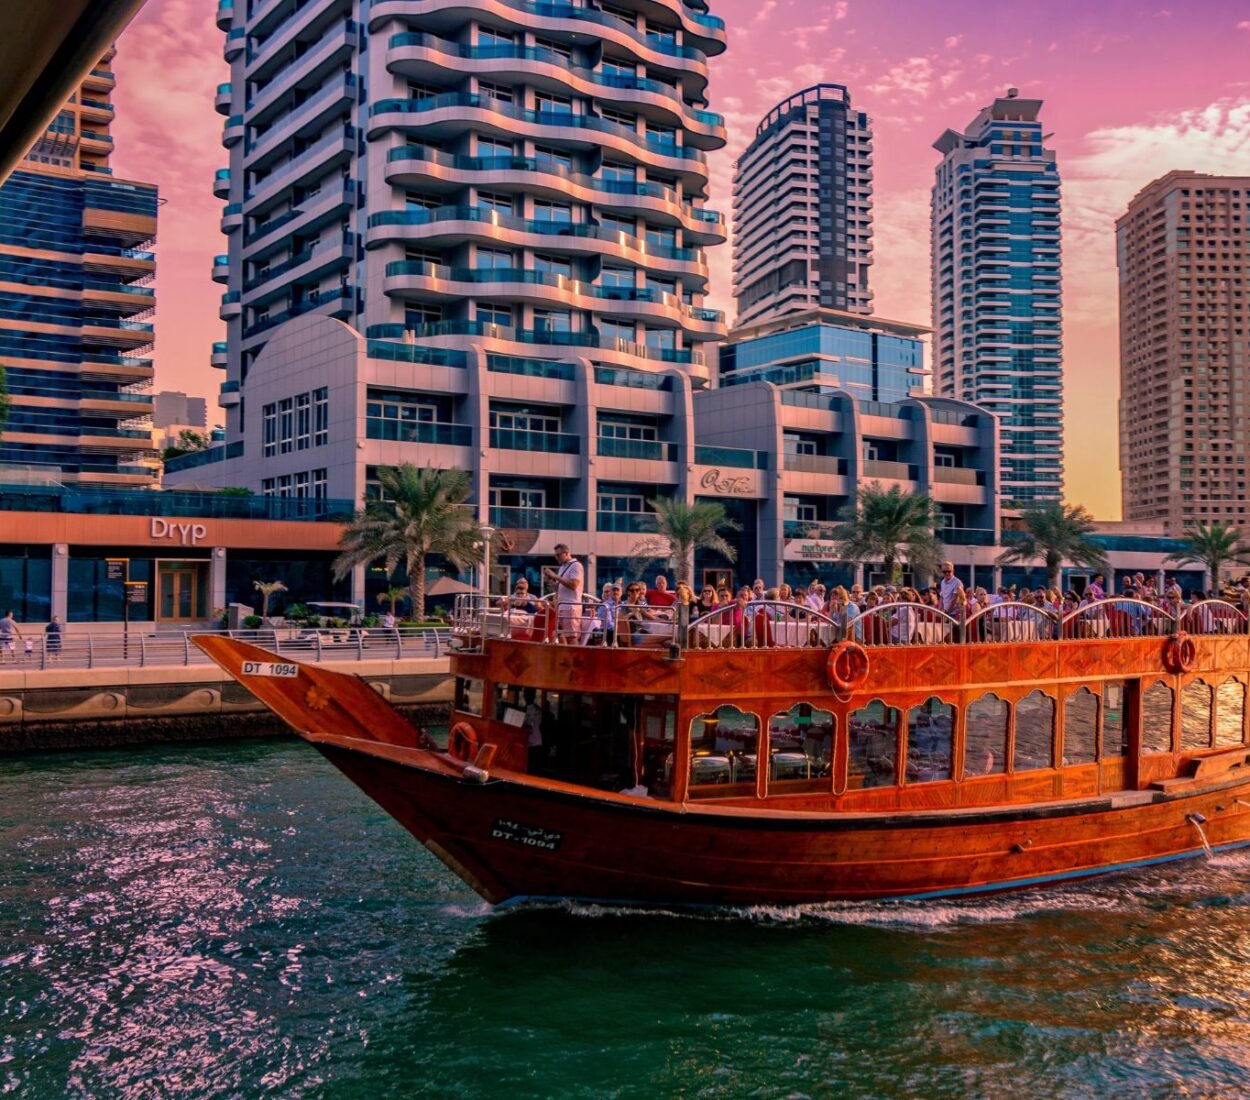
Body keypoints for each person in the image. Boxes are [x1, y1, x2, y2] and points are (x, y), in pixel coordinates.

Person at [542, 544, 584, 643]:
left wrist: (555, 576)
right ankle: (567, 657)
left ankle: (575, 658)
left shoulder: (576, 565)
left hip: (571, 607)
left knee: (571, 637)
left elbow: (574, 585)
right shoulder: (563, 567)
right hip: (562, 606)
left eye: (558, 555)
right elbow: (559, 588)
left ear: (566, 553)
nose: (556, 558)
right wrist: (550, 581)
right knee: (561, 635)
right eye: (555, 555)